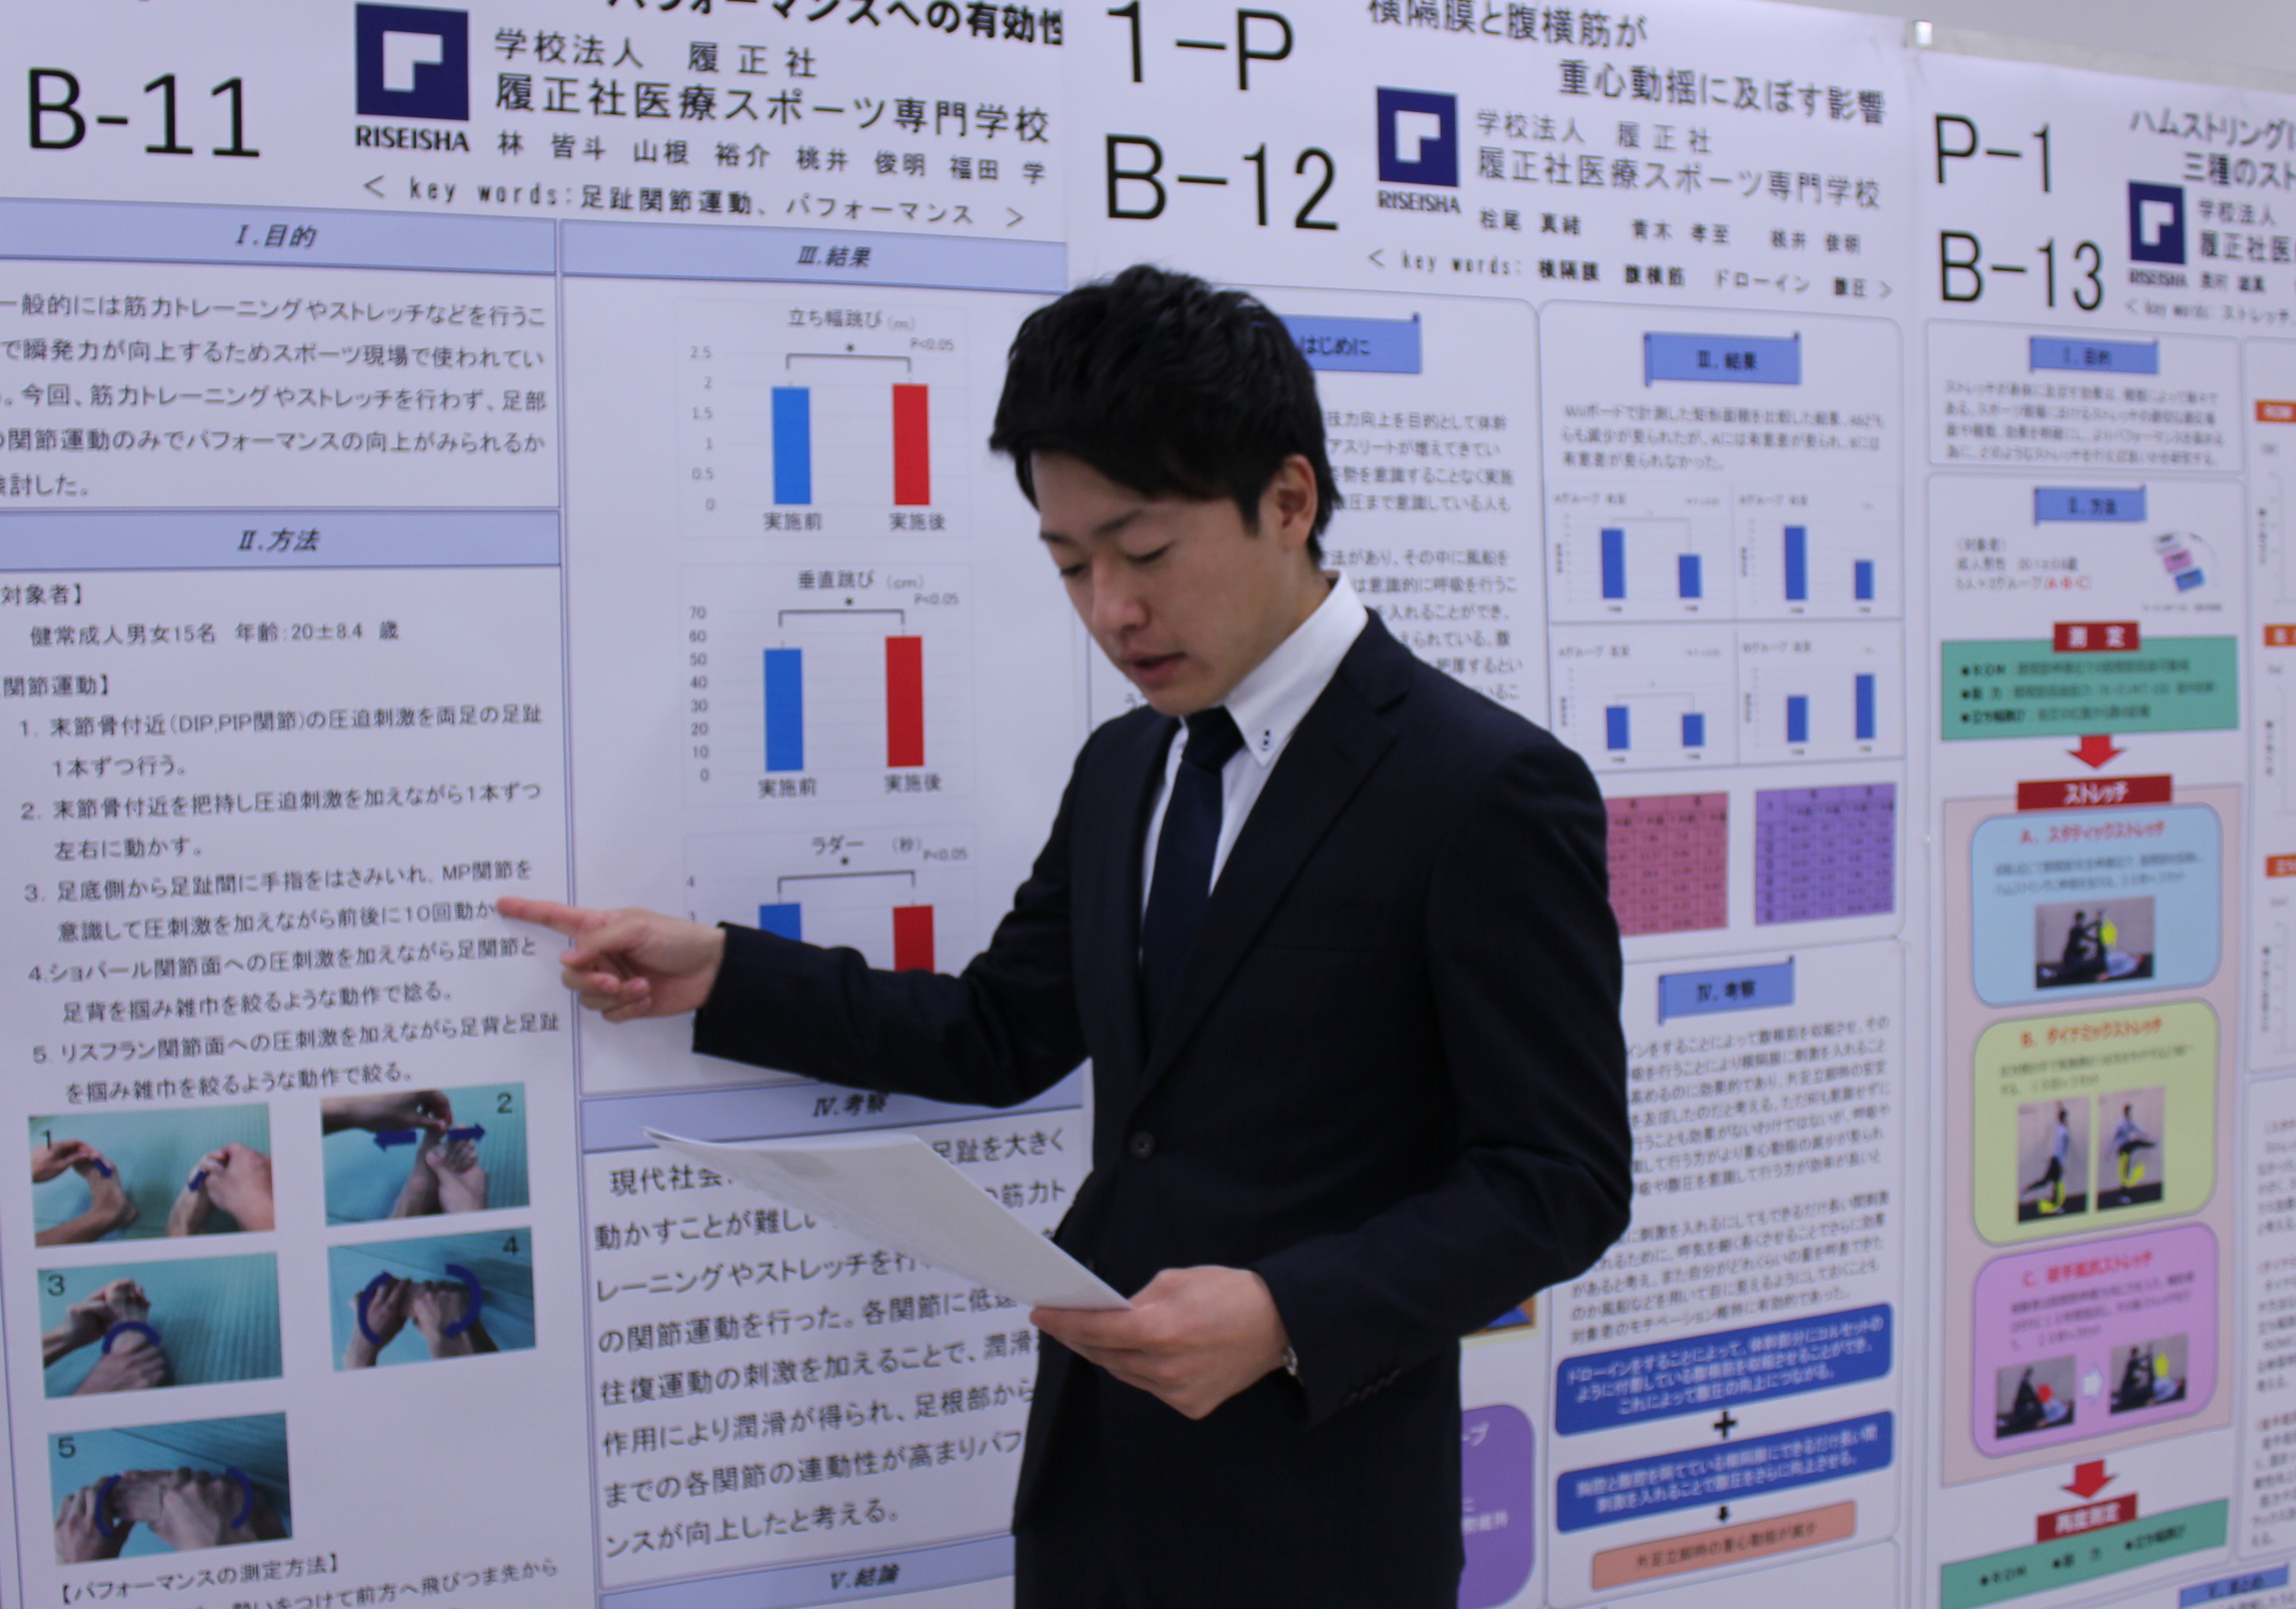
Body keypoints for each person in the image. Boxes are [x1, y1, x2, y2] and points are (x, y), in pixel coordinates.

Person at [502, 265, 1631, 1607]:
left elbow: (1558, 1176)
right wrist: (725, 971)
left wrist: (1286, 1311)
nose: (1109, 610)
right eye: (1069, 564)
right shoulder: (1125, 766)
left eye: (1143, 553)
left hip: (1317, 1509)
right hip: (1094, 1482)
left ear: (1288, 500)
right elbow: (1002, 1029)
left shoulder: (1480, 783)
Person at [2024, 1106, 2075, 1214]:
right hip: (2057, 1161)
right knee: (2052, 1183)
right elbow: (2061, 1149)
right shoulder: (2063, 1132)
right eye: (2066, 1118)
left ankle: (2055, 1205)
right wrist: (2061, 1164)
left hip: (2056, 1160)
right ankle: (2029, 1191)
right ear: (2064, 1119)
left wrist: (2059, 1106)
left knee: (2053, 1183)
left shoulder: (2059, 1128)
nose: (2067, 1120)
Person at [2111, 1102, 2157, 1189]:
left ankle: (2124, 1192)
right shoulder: (2120, 1124)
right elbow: (2113, 1138)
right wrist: (2109, 1151)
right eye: (2129, 1113)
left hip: (2127, 1148)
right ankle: (2151, 1144)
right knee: (2136, 1142)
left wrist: (2147, 1135)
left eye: (2131, 1113)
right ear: (2126, 1113)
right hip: (2123, 1148)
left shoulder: (2129, 1122)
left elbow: (2138, 1129)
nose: (2130, 1114)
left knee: (2125, 1171)